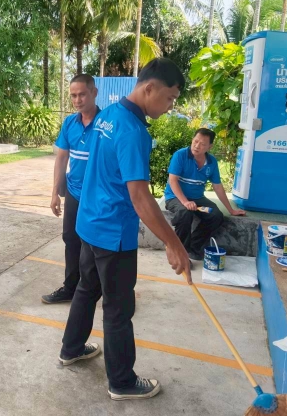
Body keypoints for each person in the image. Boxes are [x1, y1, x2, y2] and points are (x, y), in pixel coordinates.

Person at [59, 58, 193, 401]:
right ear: (149, 88)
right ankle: (121, 381)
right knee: (118, 309)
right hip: (113, 232)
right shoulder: (133, 131)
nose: (170, 105)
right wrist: (174, 243)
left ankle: (71, 348)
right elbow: (140, 197)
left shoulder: (107, 116)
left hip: (89, 223)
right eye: (169, 98)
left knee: (87, 288)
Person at [42, 75, 100, 304]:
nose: (77, 100)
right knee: (71, 239)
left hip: (97, 196)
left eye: (82, 94)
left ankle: (100, 290)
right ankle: (70, 288)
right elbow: (61, 159)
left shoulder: (106, 124)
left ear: (94, 93)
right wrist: (55, 193)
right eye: (73, 96)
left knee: (94, 245)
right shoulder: (69, 123)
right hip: (74, 193)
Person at [164, 128, 246, 263]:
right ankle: (179, 254)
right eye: (195, 141)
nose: (197, 146)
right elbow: (173, 181)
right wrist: (185, 202)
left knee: (215, 215)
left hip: (197, 199)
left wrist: (231, 210)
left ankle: (193, 248)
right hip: (175, 197)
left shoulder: (211, 162)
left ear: (210, 147)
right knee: (185, 212)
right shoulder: (180, 155)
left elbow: (217, 187)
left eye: (202, 144)